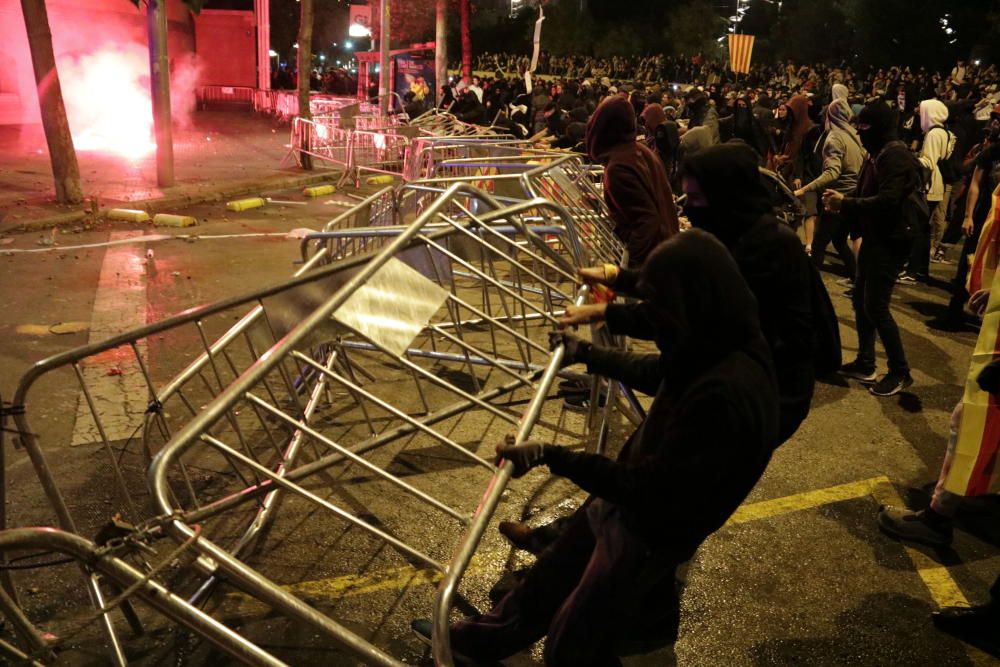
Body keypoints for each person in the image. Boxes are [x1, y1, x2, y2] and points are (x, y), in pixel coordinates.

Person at [412, 230, 779, 666]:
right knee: (548, 579)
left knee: (577, 640)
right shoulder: (715, 338)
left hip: (649, 529)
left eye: (660, 309)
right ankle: (469, 647)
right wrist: (586, 353)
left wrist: (552, 455)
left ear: (689, 303)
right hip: (625, 501)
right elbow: (658, 372)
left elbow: (650, 488)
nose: (654, 321)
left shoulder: (727, 390)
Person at [825, 100, 922, 396]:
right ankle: (867, 362)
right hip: (875, 237)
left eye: (864, 127)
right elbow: (867, 190)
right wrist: (844, 202)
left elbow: (888, 201)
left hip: (891, 241)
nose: (860, 132)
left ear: (878, 128)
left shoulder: (896, 156)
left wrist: (846, 203)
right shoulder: (878, 151)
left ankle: (900, 371)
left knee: (876, 306)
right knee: (861, 299)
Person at [585, 96, 680, 267]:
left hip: (654, 262)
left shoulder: (618, 167)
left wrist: (628, 273)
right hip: (668, 249)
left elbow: (646, 222)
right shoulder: (639, 150)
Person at [796, 95, 866, 282]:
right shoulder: (855, 135)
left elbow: (832, 173)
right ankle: (857, 278)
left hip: (838, 196)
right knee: (839, 240)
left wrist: (805, 189)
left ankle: (809, 285)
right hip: (854, 195)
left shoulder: (835, 138)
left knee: (819, 244)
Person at [903, 99, 956, 282]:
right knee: (923, 229)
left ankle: (913, 270)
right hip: (937, 183)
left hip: (930, 185)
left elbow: (928, 162)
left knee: (918, 229)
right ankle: (920, 270)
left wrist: (910, 158)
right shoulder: (945, 132)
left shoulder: (934, 134)